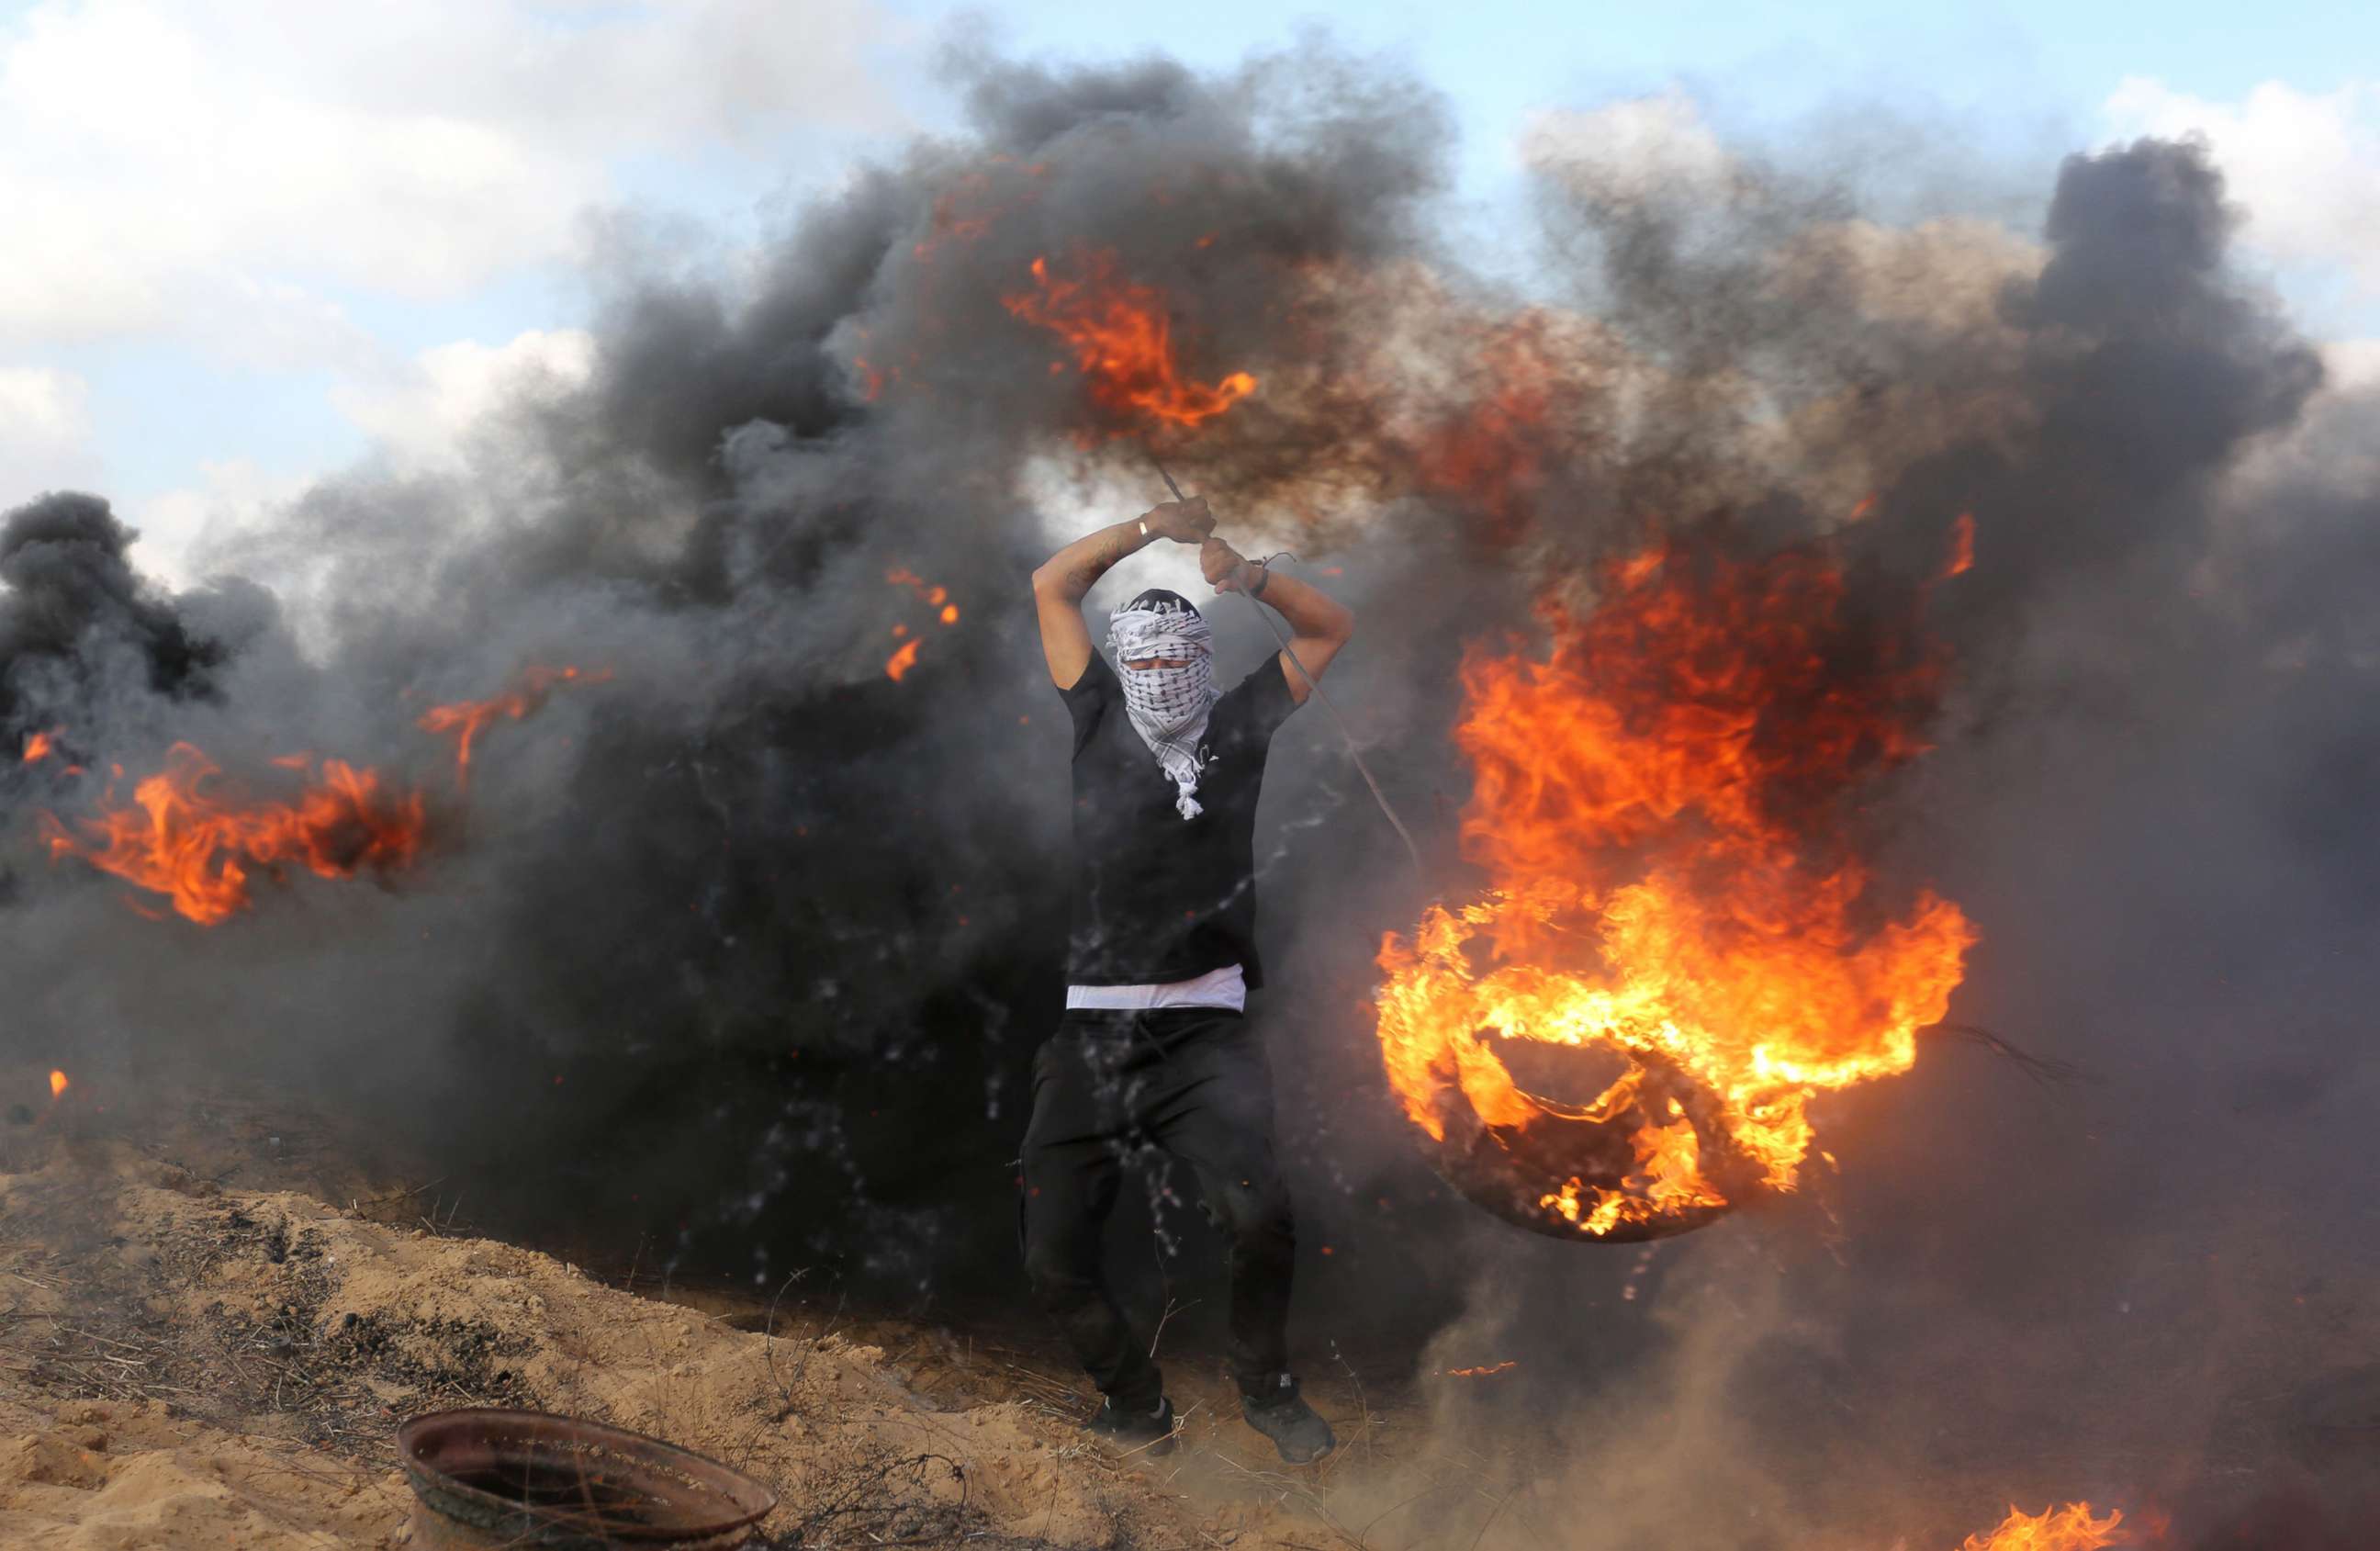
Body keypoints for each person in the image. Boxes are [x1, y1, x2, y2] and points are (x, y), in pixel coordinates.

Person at [1019, 495, 1353, 1462]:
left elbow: (1330, 625)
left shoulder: (1244, 723)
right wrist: (1151, 526)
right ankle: (1136, 1408)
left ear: (1205, 664)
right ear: (1121, 666)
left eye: (1180, 657)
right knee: (1053, 1259)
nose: (1163, 671)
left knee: (1263, 1220)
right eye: (1146, 658)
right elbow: (1052, 584)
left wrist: (1249, 575)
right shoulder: (1093, 719)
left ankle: (1268, 1391)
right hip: (1094, 1039)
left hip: (1208, 1037)